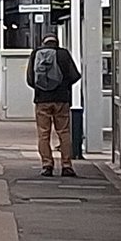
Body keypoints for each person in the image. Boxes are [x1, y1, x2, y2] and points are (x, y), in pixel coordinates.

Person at [26, 34, 81, 176]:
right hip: (61, 99)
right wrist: (64, 86)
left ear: (43, 42)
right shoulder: (63, 54)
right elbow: (75, 75)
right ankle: (67, 166)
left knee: (43, 134)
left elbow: (30, 79)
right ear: (56, 42)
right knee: (63, 132)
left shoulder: (36, 54)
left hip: (42, 100)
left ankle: (47, 165)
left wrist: (41, 89)